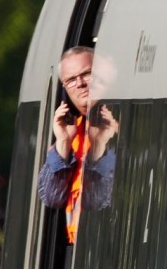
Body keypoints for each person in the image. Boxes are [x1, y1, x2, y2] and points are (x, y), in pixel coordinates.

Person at [37, 45, 120, 244]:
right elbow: (51, 197)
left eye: (87, 74)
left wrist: (99, 146)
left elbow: (98, 200)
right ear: (64, 89)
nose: (80, 84)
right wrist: (63, 142)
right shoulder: (72, 131)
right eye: (71, 80)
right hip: (80, 250)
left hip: (112, 246)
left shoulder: (120, 125)